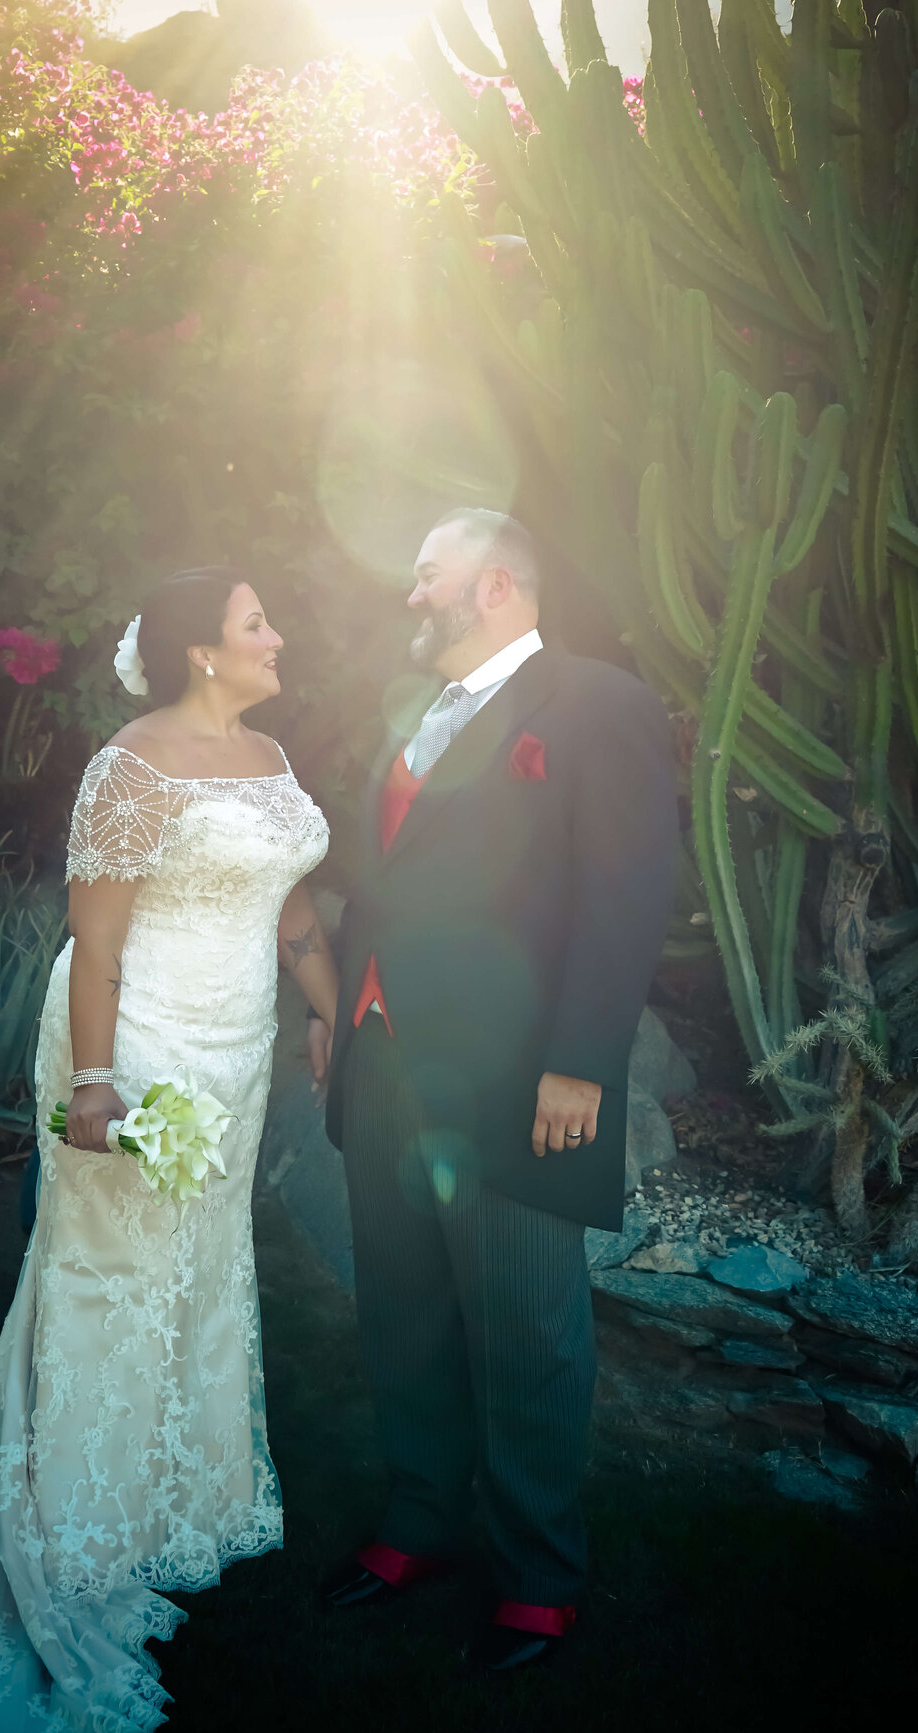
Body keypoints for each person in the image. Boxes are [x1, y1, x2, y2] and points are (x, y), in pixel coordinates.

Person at [0, 569, 336, 1733]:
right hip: (142, 1038)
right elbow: (99, 937)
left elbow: (291, 909)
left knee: (205, 1266)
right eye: (256, 622)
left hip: (243, 1042)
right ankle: (78, 1524)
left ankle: (175, 1496)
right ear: (201, 652)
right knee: (113, 1276)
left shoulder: (272, 754)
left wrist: (335, 1011)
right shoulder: (130, 764)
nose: (278, 635)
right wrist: (102, 1086)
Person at [312, 509, 677, 1673]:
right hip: (381, 1058)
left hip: (517, 1076)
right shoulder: (413, 712)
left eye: (429, 576)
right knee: (402, 1307)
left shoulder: (597, 705)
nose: (409, 595)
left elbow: (624, 896)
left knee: (527, 1328)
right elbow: (383, 881)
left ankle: (537, 1572)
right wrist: (339, 1011)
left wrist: (579, 1059)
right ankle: (420, 1516)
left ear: (500, 584)